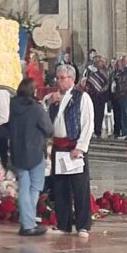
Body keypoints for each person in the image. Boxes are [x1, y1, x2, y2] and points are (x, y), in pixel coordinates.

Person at [44, 63, 94, 238]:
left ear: (72, 79)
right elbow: (46, 118)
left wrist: (80, 147)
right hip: (58, 146)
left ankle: (83, 225)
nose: (58, 81)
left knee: (79, 188)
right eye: (57, 78)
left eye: (62, 78)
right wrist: (49, 102)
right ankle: (63, 224)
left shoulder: (82, 97)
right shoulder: (54, 97)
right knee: (60, 187)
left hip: (74, 146)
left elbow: (88, 124)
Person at [8, 78, 52, 237]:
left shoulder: (12, 106)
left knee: (24, 188)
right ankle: (28, 224)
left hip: (17, 152)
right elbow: (48, 129)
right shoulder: (36, 108)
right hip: (34, 152)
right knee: (34, 188)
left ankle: (27, 221)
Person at [81, 55, 110, 137]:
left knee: (99, 114)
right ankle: (92, 130)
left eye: (101, 62)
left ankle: (98, 130)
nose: (101, 63)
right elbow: (86, 81)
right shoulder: (89, 70)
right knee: (91, 113)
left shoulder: (104, 71)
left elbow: (107, 83)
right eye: (99, 62)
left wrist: (101, 90)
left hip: (101, 96)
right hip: (92, 95)